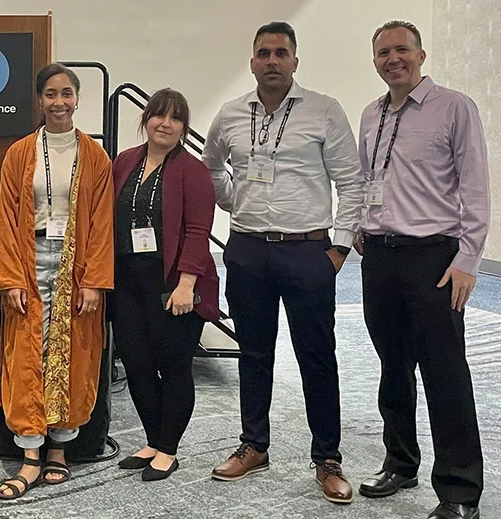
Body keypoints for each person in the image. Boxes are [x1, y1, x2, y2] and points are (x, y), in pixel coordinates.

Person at [201, 21, 364, 504]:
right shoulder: (231, 114)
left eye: (281, 53)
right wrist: (235, 203)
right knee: (254, 353)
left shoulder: (324, 111)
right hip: (248, 250)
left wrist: (339, 249)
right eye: (263, 53)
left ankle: (327, 458)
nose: (272, 61)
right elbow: (210, 167)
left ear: (295, 60)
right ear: (252, 61)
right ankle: (254, 446)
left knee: (317, 356)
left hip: (308, 250)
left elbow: (351, 181)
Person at [355, 21, 488, 519]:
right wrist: (362, 229)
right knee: (393, 368)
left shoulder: (454, 108)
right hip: (381, 257)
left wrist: (468, 260)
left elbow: (475, 186)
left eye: (402, 50)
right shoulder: (372, 114)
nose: (394, 59)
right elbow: (370, 177)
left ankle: (458, 490)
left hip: (435, 258)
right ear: (375, 61)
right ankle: (400, 462)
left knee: (444, 372)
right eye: (384, 52)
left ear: (420, 55)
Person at [0, 63, 114, 499]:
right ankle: (29, 453)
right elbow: (5, 220)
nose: (59, 102)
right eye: (50, 94)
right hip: (30, 257)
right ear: (39, 100)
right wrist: (10, 279)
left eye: (66, 93)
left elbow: (101, 223)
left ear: (77, 99)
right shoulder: (20, 153)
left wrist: (94, 280)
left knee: (73, 354)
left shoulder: (95, 157)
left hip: (76, 265)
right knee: (27, 351)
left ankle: (60, 449)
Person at [110, 88, 220, 481]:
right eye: (159, 114)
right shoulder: (124, 162)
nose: (166, 123)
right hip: (127, 282)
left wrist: (187, 284)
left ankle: (168, 449)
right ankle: (153, 440)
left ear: (183, 127)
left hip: (175, 283)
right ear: (146, 118)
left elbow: (197, 230)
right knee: (137, 366)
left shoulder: (193, 171)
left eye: (175, 118)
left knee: (174, 368)